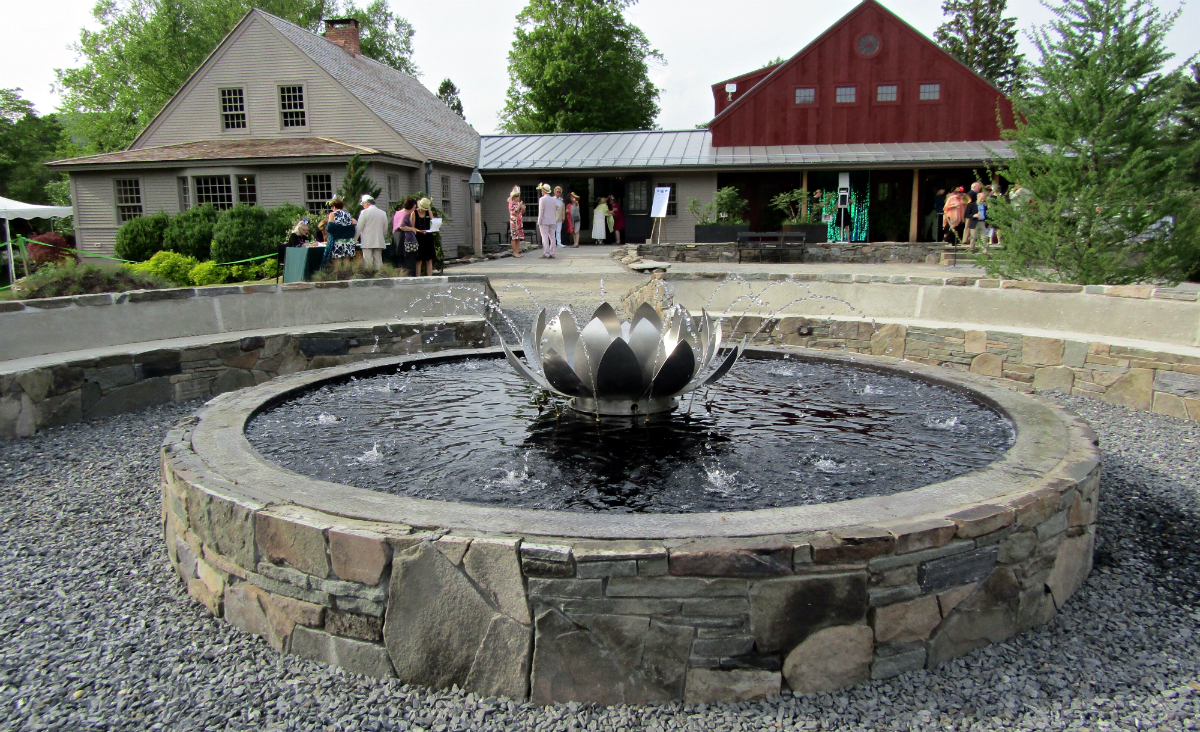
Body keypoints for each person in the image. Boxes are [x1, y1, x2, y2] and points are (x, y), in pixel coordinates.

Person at [355, 194, 388, 269]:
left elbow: (359, 227)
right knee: (378, 260)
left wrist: (354, 239)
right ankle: (380, 276)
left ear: (367, 203)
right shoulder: (382, 213)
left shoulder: (364, 212)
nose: (363, 205)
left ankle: (369, 276)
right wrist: (383, 236)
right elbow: (385, 228)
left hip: (367, 240)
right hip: (379, 240)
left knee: (368, 261)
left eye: (363, 203)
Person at [322, 198, 357, 267]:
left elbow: (330, 227)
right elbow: (354, 225)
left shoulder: (332, 214)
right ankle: (347, 275)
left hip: (338, 240)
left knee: (337, 259)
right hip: (348, 240)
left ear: (334, 207)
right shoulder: (348, 215)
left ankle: (338, 274)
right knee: (347, 259)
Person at [395, 198, 419, 275]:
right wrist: (412, 228)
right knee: (409, 261)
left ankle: (402, 274)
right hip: (406, 240)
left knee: (401, 261)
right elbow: (402, 226)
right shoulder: (405, 215)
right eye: (414, 207)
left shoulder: (398, 213)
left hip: (397, 238)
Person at [414, 198, 437, 276]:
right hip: (418, 237)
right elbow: (412, 226)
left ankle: (430, 276)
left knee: (429, 259)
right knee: (419, 260)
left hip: (427, 237)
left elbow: (433, 221)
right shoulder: (414, 213)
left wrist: (434, 225)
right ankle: (418, 276)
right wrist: (419, 231)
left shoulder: (428, 212)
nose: (423, 210)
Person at [537, 183, 557, 258]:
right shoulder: (553, 199)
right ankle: (553, 253)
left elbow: (541, 211)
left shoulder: (542, 199)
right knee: (552, 237)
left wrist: (539, 221)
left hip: (544, 221)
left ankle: (546, 253)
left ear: (543, 191)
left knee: (544, 237)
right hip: (552, 220)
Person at [508, 186, 525, 258]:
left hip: (519, 222)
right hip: (514, 222)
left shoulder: (518, 203)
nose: (518, 197)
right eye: (517, 196)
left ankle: (517, 251)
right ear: (514, 197)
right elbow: (513, 213)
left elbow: (521, 213)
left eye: (518, 195)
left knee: (519, 237)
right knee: (514, 237)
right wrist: (518, 207)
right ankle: (514, 252)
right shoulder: (511, 204)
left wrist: (523, 208)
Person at [553, 186, 565, 253]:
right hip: (554, 217)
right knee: (552, 231)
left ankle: (559, 243)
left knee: (558, 231)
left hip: (560, 217)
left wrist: (563, 217)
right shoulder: (552, 199)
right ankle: (553, 243)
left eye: (559, 192)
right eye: (557, 192)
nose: (558, 193)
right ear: (555, 192)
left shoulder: (562, 200)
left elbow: (563, 210)